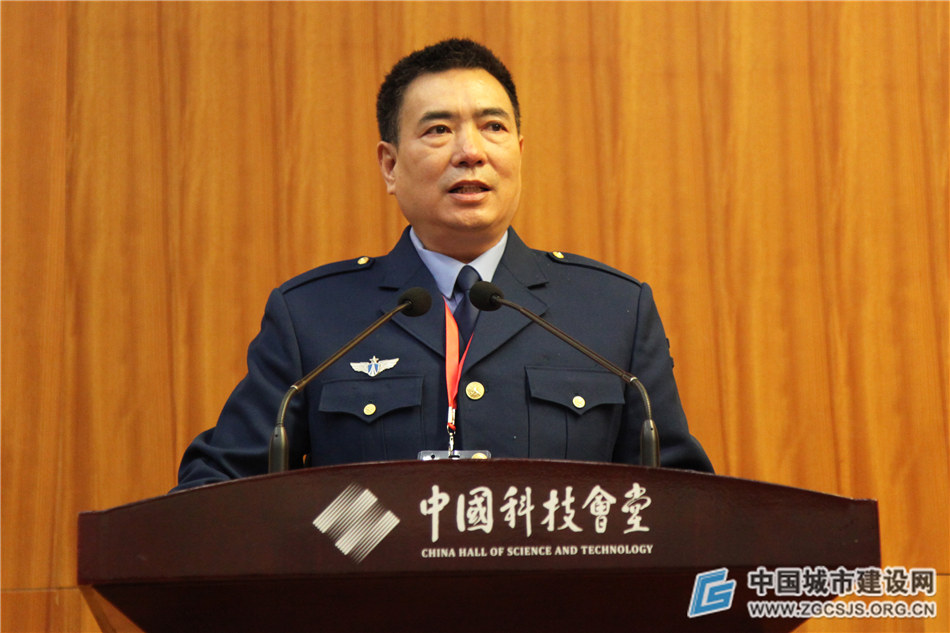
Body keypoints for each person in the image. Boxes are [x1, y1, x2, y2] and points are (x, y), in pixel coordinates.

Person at [173, 38, 712, 492]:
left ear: (519, 151)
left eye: (493, 126)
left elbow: (682, 499)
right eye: (438, 130)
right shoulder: (314, 315)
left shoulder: (611, 312)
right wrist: (353, 533)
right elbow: (218, 486)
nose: (471, 151)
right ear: (389, 165)